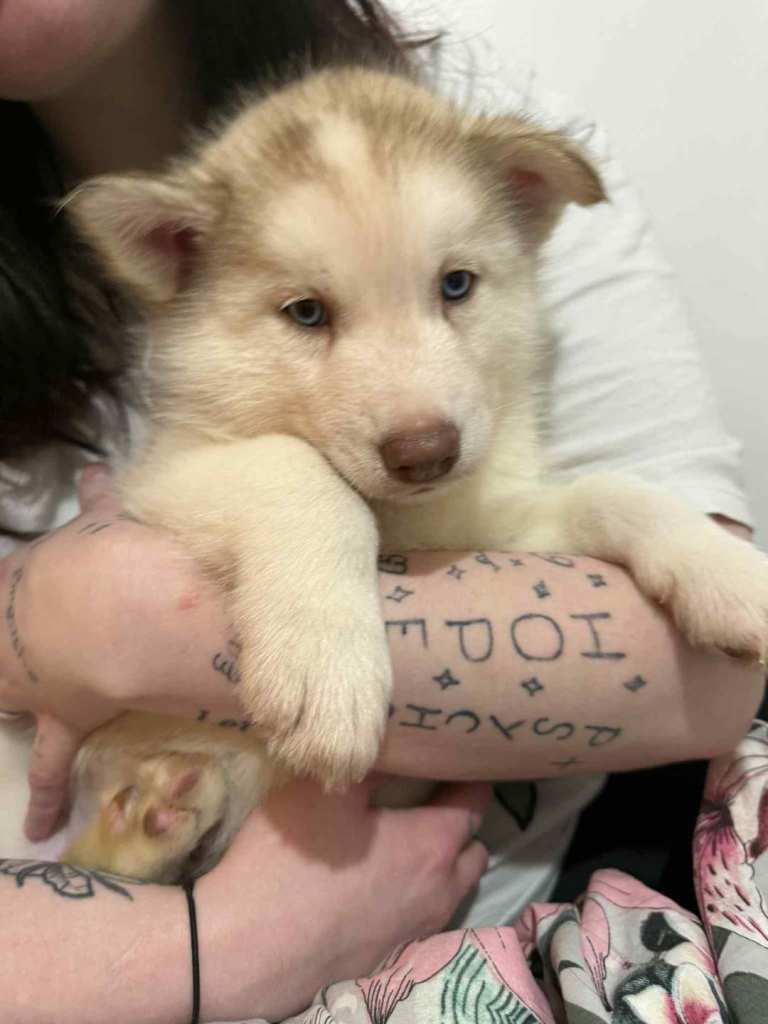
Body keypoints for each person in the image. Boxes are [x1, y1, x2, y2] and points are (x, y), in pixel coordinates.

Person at [0, 1, 763, 1020]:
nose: (420, 416)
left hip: (473, 935)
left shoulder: (467, 117)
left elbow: (666, 639)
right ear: (170, 258)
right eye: (309, 312)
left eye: (456, 285)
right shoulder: (230, 439)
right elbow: (195, 487)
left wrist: (648, 525)